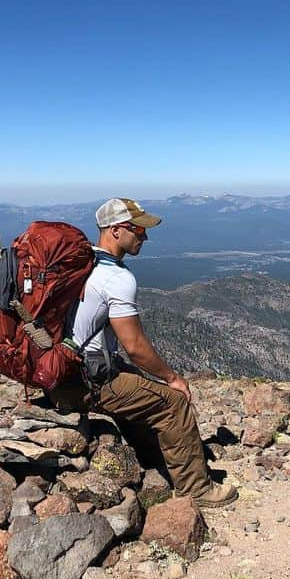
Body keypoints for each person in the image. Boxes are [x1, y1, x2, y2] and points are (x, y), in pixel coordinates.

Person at [49, 197, 238, 509]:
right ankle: (197, 490)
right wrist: (173, 378)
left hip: (59, 372)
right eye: (138, 230)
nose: (144, 237)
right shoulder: (117, 278)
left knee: (135, 380)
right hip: (81, 382)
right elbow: (135, 347)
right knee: (173, 403)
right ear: (116, 230)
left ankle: (154, 458)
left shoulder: (80, 266)